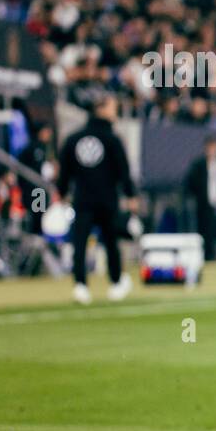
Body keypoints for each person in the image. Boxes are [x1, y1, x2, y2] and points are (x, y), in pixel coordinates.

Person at [56, 93, 136, 304]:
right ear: (101, 109)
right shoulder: (112, 139)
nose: (115, 112)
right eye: (112, 107)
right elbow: (123, 171)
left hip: (82, 200)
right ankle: (116, 281)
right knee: (111, 242)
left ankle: (80, 285)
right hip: (107, 200)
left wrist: (61, 192)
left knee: (80, 244)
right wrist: (130, 195)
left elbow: (65, 171)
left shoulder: (73, 139)